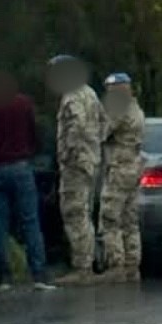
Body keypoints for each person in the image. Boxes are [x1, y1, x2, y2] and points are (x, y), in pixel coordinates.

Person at [0, 72, 56, 291]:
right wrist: (31, 152)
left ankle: (4, 277)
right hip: (21, 167)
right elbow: (35, 133)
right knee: (31, 222)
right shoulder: (23, 104)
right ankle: (39, 275)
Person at [47, 54, 107, 283]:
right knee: (85, 212)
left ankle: (82, 268)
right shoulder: (89, 92)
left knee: (74, 213)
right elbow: (104, 123)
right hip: (91, 161)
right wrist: (94, 149)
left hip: (76, 165)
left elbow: (77, 125)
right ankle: (90, 262)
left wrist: (71, 153)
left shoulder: (72, 96)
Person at [97, 72, 146, 282]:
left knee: (110, 216)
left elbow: (103, 132)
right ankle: (132, 265)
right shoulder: (136, 109)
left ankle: (116, 264)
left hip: (119, 166)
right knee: (130, 219)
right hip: (134, 166)